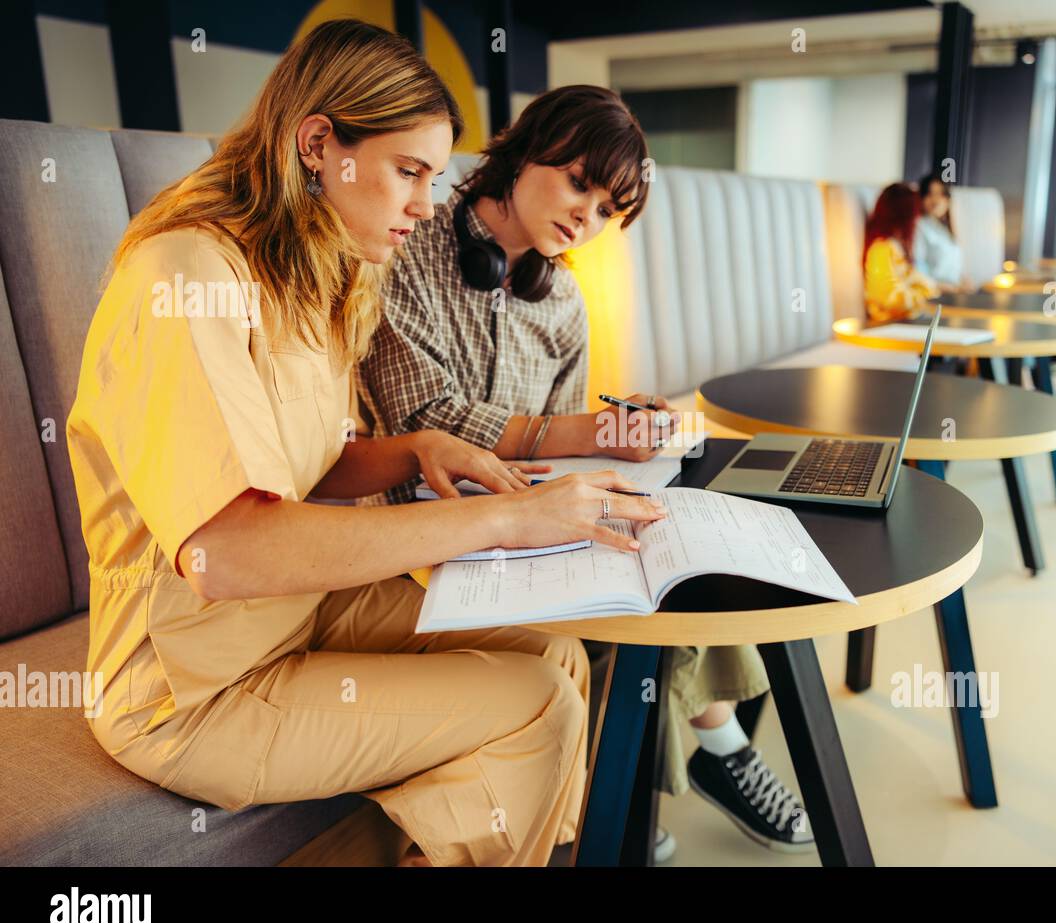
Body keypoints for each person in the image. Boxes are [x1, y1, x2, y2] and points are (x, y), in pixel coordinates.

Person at [66, 19, 666, 868]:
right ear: (319, 145)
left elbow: (304, 463)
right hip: (192, 684)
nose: (427, 206)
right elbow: (226, 550)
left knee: (556, 651)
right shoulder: (185, 278)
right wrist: (503, 521)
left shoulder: (316, 270)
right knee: (537, 703)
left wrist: (415, 447)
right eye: (410, 172)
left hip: (297, 611)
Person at [358, 85, 815, 859]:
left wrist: (617, 434)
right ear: (523, 151)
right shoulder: (412, 242)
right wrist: (579, 431)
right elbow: (420, 421)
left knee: (675, 559)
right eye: (578, 182)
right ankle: (685, 769)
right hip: (424, 529)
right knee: (645, 589)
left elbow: (564, 448)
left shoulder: (562, 297)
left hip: (525, 518)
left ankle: (642, 784)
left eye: (608, 209)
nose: (587, 218)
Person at [864, 182, 938, 323]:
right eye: (914, 215)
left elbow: (927, 285)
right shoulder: (881, 249)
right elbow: (889, 299)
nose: (917, 221)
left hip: (907, 320)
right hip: (889, 325)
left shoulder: (897, 248)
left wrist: (926, 292)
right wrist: (922, 297)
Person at [913, 173, 968, 291]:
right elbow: (917, 269)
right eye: (929, 194)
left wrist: (963, 281)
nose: (935, 200)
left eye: (940, 195)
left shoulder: (946, 229)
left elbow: (952, 267)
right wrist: (943, 287)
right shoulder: (920, 226)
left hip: (953, 292)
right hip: (934, 294)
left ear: (948, 200)